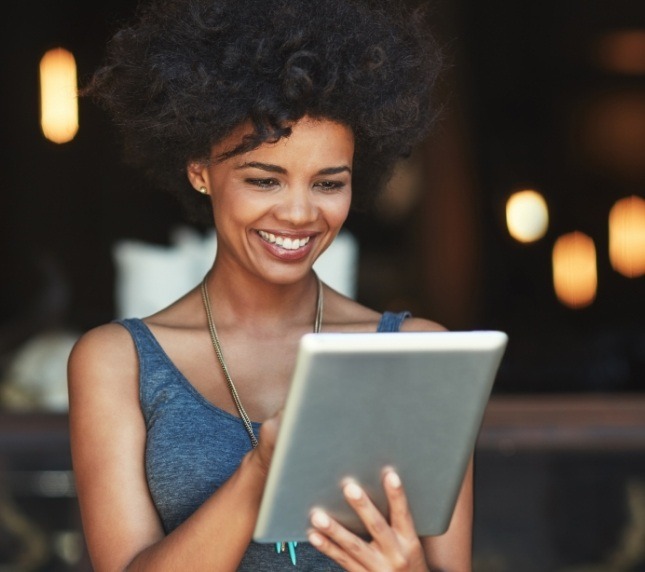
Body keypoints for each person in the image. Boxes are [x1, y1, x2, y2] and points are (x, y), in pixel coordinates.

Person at [67, 0, 474, 570]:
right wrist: (261, 474)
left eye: (329, 183)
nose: (300, 213)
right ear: (200, 170)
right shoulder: (119, 362)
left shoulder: (416, 355)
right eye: (265, 180)